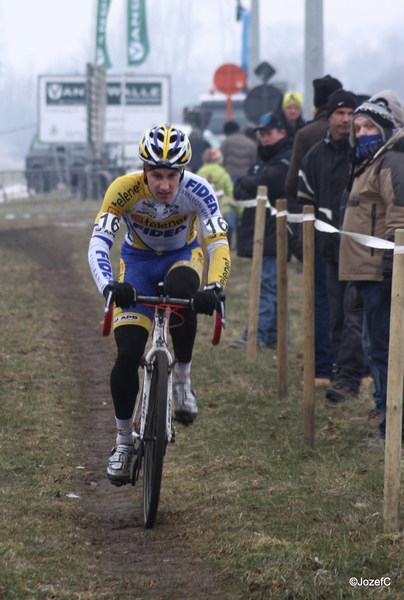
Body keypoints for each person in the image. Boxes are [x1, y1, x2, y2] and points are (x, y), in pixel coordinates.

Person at [88, 124, 231, 485]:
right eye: (156, 175)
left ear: (182, 172)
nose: (165, 185)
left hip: (183, 258)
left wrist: (215, 287)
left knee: (187, 291)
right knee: (128, 352)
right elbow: (99, 242)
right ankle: (123, 442)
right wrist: (110, 285)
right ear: (144, 170)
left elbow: (218, 243)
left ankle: (181, 379)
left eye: (171, 175)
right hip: (136, 264)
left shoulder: (198, 190)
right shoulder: (123, 190)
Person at [339, 98, 404, 444]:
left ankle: (392, 431)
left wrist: (394, 266)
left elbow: (399, 215)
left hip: (382, 273)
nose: (362, 133)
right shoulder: (370, 162)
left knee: (385, 351)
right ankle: (385, 418)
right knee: (375, 348)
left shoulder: (391, 161)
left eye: (369, 127)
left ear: (385, 129)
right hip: (366, 273)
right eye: (358, 128)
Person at [297, 89, 366, 403]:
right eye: (339, 113)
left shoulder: (365, 153)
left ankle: (356, 376)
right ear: (329, 117)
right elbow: (304, 203)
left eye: (350, 113)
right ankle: (343, 373)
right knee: (337, 315)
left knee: (357, 316)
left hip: (364, 252)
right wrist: (303, 244)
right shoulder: (316, 156)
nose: (345, 119)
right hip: (329, 252)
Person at [285, 74, 343, 386]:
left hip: (318, 230)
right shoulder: (357, 130)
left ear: (316, 102)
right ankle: (354, 370)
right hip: (350, 229)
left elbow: (292, 185)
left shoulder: (306, 134)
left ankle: (322, 368)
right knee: (351, 300)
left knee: (321, 297)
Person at [229, 111, 293, 349]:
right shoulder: (263, 160)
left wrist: (251, 182)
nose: (264, 139)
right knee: (272, 285)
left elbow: (268, 184)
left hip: (273, 231)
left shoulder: (285, 158)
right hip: (260, 230)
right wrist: (252, 183)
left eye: (269, 134)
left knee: (266, 285)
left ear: (282, 133)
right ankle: (277, 336)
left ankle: (256, 336)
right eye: (262, 135)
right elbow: (241, 188)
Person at [220, 121, 257, 249]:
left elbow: (221, 160)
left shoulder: (226, 142)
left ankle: (228, 242)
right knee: (242, 208)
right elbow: (254, 161)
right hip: (245, 179)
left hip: (229, 177)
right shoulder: (250, 143)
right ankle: (242, 243)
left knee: (230, 210)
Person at [196, 147, 238, 230]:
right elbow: (231, 194)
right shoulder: (223, 173)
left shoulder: (199, 173)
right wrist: (240, 213)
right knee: (224, 240)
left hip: (204, 213)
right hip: (224, 211)